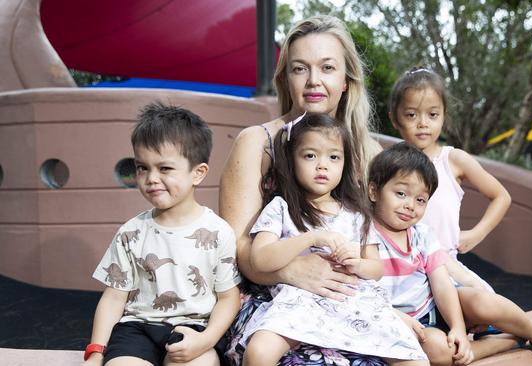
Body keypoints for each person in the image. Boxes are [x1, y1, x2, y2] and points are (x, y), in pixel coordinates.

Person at [219, 15, 384, 365]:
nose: (314, 81)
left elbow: (387, 245)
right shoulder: (258, 143)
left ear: (346, 80)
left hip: (351, 300)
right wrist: (290, 270)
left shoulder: (371, 154)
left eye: (327, 67)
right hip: (274, 304)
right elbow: (235, 248)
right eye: (299, 69)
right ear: (285, 79)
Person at [369, 143, 532, 366]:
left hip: (437, 306)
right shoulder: (364, 235)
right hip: (408, 323)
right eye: (401, 193)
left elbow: (442, 284)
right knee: (438, 352)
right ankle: (505, 343)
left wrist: (458, 328)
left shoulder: (422, 235)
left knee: (482, 300)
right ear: (373, 191)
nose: (410, 206)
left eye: (420, 200)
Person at [241, 113, 428, 366]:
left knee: (415, 359)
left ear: (344, 163)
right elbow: (260, 259)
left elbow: (376, 269)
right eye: (310, 156)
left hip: (353, 301)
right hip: (301, 302)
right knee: (259, 352)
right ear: (291, 161)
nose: (322, 165)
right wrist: (311, 238)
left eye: (333, 157)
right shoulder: (281, 208)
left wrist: (357, 263)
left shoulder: (356, 214)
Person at [82, 102, 241, 366]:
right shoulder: (131, 232)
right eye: (142, 167)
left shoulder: (218, 232)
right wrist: (96, 351)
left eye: (164, 168)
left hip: (194, 328)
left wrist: (208, 340)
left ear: (198, 173)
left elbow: (228, 297)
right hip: (137, 328)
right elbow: (113, 297)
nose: (151, 178)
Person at [388, 67, 511, 293]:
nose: (423, 123)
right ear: (394, 119)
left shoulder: (452, 160)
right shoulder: (389, 164)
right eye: (411, 115)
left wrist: (476, 233)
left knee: (486, 301)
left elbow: (501, 196)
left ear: (443, 115)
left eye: (432, 114)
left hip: (448, 267)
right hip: (404, 272)